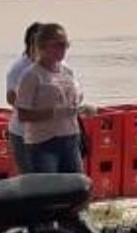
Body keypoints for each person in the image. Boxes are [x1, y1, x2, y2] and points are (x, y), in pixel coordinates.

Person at [16, 22, 87, 174]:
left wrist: (80, 106)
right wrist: (55, 113)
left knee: (75, 188)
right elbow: (22, 114)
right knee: (49, 191)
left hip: (70, 137)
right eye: (58, 44)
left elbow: (73, 100)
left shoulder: (67, 70)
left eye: (66, 44)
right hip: (43, 142)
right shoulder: (31, 75)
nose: (63, 49)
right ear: (42, 46)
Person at [5, 22, 41, 174]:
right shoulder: (19, 68)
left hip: (49, 132)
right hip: (22, 133)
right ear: (29, 44)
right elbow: (11, 98)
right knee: (30, 178)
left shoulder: (56, 64)